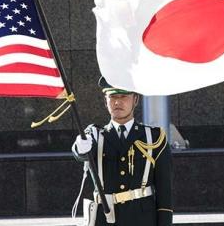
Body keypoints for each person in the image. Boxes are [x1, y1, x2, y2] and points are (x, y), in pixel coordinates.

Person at [72, 76, 173, 226]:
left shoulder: (153, 138)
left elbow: (165, 190)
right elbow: (81, 152)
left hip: (142, 219)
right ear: (105, 101)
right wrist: (80, 147)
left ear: (136, 100)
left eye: (124, 96)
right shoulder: (94, 134)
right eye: (112, 96)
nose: (117, 102)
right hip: (105, 218)